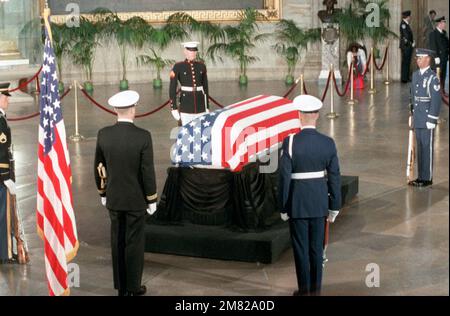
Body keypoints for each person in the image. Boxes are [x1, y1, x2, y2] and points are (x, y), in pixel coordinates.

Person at [94, 90, 158, 296]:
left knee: (117, 243)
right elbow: (147, 172)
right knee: (135, 244)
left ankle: (121, 288)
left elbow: (99, 167)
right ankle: (133, 286)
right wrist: (152, 199)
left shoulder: (104, 134)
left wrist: (103, 193)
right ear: (133, 110)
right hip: (136, 200)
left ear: (114, 110)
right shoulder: (143, 137)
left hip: (114, 198)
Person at [279, 95, 342, 296]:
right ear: (316, 116)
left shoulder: (289, 142)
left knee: (301, 251)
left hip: (297, 204)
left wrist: (283, 206)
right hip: (319, 203)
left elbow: (284, 178)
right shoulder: (328, 143)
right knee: (317, 250)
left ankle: (304, 291)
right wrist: (334, 206)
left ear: (299, 116)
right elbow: (334, 177)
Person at [408, 49, 442, 188]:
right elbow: (413, 97)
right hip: (418, 117)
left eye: (420, 58)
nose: (418, 60)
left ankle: (427, 178)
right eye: (417, 58)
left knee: (427, 148)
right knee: (420, 148)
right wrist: (411, 115)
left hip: (427, 118)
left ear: (428, 59)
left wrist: (432, 120)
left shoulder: (432, 77)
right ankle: (420, 176)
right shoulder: (416, 75)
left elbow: (436, 100)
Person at [169, 41, 209, 126]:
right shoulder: (178, 66)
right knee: (186, 133)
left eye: (194, 51)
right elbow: (172, 88)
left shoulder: (202, 66)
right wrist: (173, 108)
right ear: (185, 52)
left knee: (200, 133)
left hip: (200, 105)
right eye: (191, 51)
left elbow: (205, 88)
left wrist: (207, 106)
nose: (193, 53)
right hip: (186, 105)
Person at [0, 83, 15, 264]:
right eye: (5, 97)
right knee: (2, 215)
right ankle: (4, 253)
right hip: (1, 175)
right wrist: (6, 176)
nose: (7, 100)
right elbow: (2, 151)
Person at [428, 16, 449, 87]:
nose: (445, 24)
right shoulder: (433, 34)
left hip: (444, 58)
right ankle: (437, 93)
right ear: (439, 24)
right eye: (444, 23)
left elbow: (447, 45)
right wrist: (436, 57)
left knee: (443, 76)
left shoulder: (444, 33)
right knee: (437, 76)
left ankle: (442, 91)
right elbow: (433, 47)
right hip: (438, 59)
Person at [400, 10, 415, 83]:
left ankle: (406, 77)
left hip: (408, 46)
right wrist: (411, 43)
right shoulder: (403, 24)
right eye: (409, 16)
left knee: (408, 62)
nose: (410, 18)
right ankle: (404, 78)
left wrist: (412, 41)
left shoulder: (406, 24)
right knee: (405, 62)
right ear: (407, 17)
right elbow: (405, 36)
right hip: (406, 46)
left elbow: (409, 35)